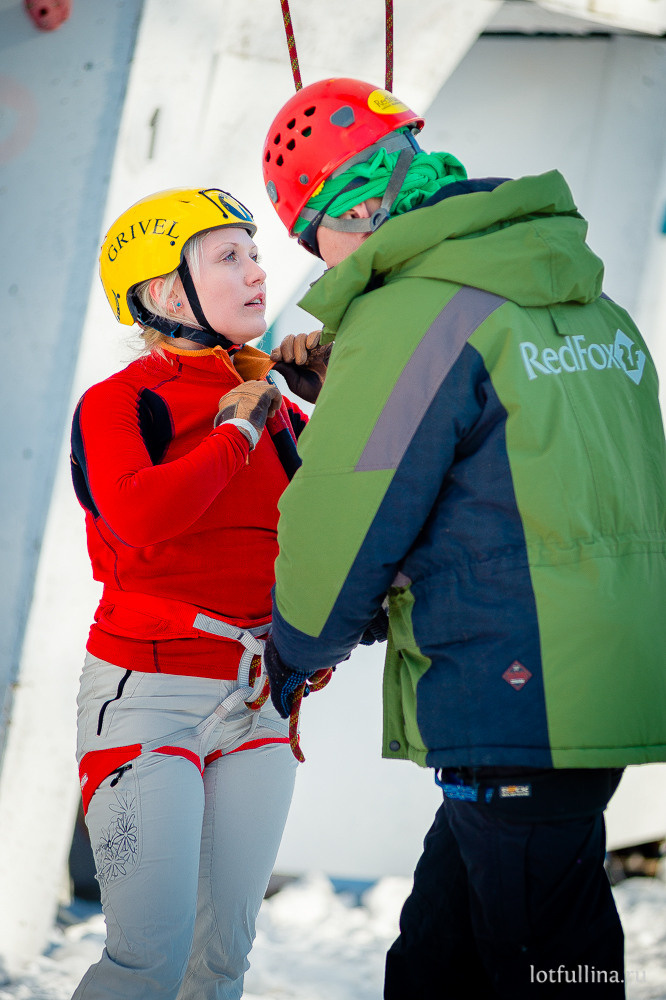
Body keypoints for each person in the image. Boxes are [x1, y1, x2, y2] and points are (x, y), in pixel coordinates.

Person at [260, 78, 666, 997]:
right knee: (440, 955)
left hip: (519, 685)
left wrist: (295, 646)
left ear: (352, 209)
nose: (309, 259)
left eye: (304, 233)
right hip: (591, 669)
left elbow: (349, 510)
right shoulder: (576, 297)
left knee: (552, 966)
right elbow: (522, 461)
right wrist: (358, 392)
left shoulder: (417, 311)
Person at [69, 186, 321, 1000]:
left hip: (260, 697)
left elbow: (360, 508)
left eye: (254, 251)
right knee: (148, 958)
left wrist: (341, 392)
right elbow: (141, 518)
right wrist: (237, 429)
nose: (258, 270)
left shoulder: (270, 401)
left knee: (220, 962)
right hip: (147, 696)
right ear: (167, 292)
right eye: (230, 256)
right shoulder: (120, 401)